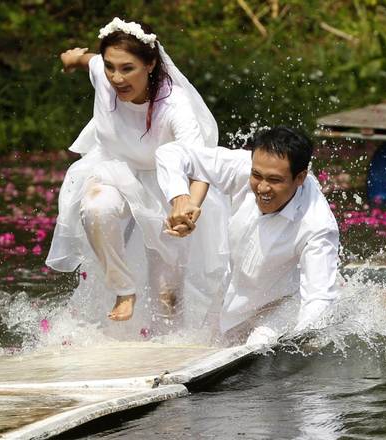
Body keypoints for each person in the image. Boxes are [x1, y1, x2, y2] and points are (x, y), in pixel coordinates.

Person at [46, 18, 228, 326]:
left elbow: (200, 164)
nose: (117, 78)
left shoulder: (175, 105)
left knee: (166, 292)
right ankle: (124, 291)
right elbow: (89, 60)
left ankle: (170, 344)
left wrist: (190, 207)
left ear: (151, 64)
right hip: (112, 170)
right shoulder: (104, 77)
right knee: (96, 207)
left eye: (127, 68)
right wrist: (73, 58)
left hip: (166, 183)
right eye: (111, 67)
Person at [156, 126, 341, 345]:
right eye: (257, 176)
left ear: (300, 177)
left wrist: (307, 341)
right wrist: (181, 198)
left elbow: (318, 298)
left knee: (259, 344)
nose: (262, 187)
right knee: (206, 346)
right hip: (235, 289)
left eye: (274, 180)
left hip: (286, 303)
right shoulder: (244, 166)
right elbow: (170, 152)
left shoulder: (318, 225)